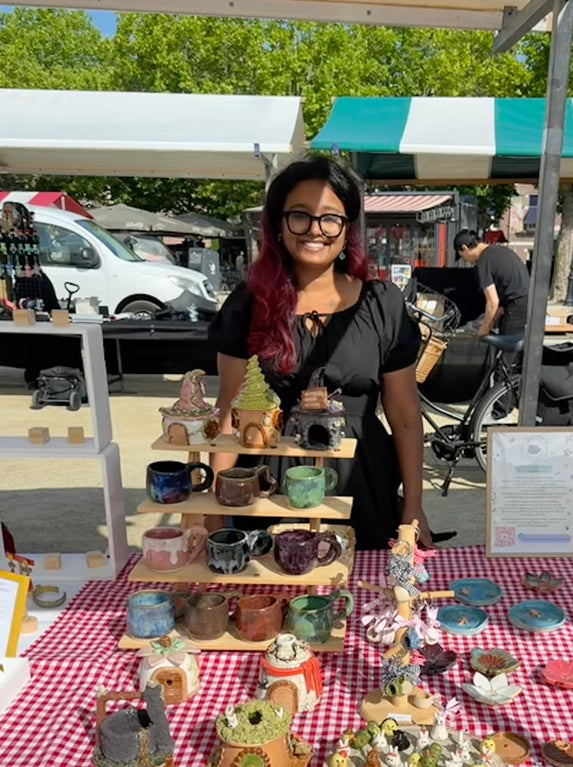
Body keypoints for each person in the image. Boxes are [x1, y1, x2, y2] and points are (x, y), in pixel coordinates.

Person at [208, 155, 431, 550]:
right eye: (300, 216)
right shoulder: (248, 304)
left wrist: (413, 505)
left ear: (347, 229)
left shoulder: (382, 304)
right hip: (270, 488)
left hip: (364, 481)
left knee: (366, 595)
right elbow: (229, 415)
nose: (316, 230)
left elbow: (405, 416)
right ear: (278, 224)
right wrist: (212, 510)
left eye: (330, 218)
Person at [453, 229, 529, 337]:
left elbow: (493, 301)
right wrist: (493, 317)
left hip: (516, 307)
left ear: (465, 248)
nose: (466, 261)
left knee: (508, 349)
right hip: (526, 302)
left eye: (462, 256)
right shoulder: (499, 251)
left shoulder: (483, 262)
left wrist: (484, 327)